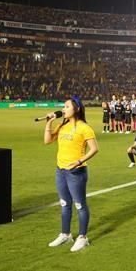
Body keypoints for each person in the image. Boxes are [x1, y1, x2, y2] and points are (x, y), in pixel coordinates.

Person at [43, 96, 99, 252]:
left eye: (67, 106)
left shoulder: (84, 128)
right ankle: (65, 234)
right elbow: (48, 140)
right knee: (64, 204)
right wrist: (49, 122)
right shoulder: (63, 125)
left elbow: (94, 149)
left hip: (76, 172)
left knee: (80, 205)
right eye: (64, 106)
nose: (63, 109)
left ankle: (83, 237)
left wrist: (79, 161)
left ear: (77, 109)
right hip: (60, 170)